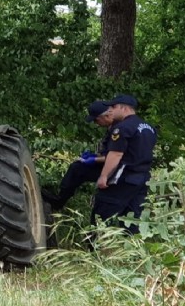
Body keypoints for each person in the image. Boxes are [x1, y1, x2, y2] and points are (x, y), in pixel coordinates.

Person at [92, 94, 157, 234]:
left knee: (101, 216)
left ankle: (94, 250)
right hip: (142, 178)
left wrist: (104, 176)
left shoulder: (122, 128)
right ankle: (132, 253)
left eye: (113, 107)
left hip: (124, 177)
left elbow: (116, 154)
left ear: (123, 108)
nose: (111, 111)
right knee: (132, 220)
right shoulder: (149, 128)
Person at [42, 101, 116, 210]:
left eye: (96, 120)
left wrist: (94, 159)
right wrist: (93, 156)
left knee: (77, 169)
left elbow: (115, 156)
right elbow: (107, 152)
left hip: (115, 169)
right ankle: (60, 198)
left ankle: (59, 201)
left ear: (107, 115)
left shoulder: (118, 130)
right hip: (107, 164)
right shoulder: (110, 130)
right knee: (77, 167)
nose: (96, 123)